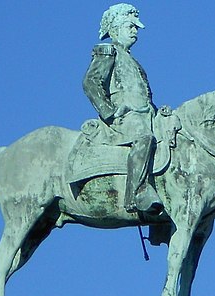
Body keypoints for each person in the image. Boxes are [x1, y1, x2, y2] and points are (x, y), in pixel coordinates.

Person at [83, 3, 163, 215]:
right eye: (131, 26)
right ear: (116, 28)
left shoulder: (134, 61)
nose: (135, 31)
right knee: (144, 138)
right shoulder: (108, 52)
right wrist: (110, 112)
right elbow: (91, 82)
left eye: (135, 27)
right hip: (124, 118)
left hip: (145, 115)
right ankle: (138, 192)